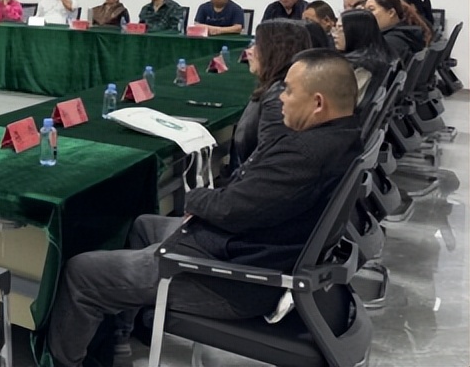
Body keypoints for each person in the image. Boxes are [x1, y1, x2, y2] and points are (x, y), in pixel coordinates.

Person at [48, 49, 362, 367]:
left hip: (232, 280)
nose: (281, 97)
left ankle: (66, 362)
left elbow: (231, 208)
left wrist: (196, 201)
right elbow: (247, 200)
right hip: (244, 248)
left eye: (290, 91)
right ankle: (122, 337)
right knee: (144, 225)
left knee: (82, 273)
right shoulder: (343, 137)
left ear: (318, 103)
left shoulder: (305, 155)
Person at [229, 19, 313, 169]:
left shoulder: (279, 99)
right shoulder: (275, 89)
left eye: (257, 45)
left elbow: (267, 163)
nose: (249, 51)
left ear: (276, 52)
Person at [334, 9, 394, 104]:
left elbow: (342, 104)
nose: (334, 35)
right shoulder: (381, 55)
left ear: (355, 32)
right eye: (335, 29)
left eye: (340, 29)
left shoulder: (361, 67)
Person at [365, 0, 430, 60]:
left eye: (371, 9)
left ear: (391, 12)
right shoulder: (406, 35)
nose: (365, 14)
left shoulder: (390, 42)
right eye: (364, 10)